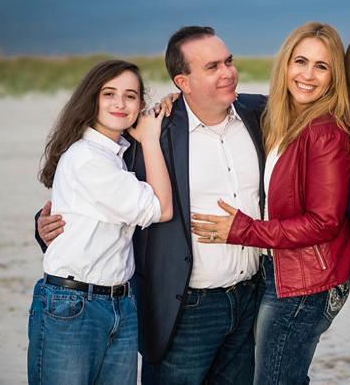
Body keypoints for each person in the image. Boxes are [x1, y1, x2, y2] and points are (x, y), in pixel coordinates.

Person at [36, 27, 268, 384]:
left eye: (229, 61)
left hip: (248, 299)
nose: (228, 72)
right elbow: (86, 192)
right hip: (183, 309)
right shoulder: (149, 136)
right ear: (183, 82)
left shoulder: (258, 115)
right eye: (212, 67)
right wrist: (43, 223)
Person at [191, 22, 350, 384]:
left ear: (334, 77)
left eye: (321, 66)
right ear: (285, 64)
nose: (307, 75)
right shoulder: (283, 116)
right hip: (278, 272)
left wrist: (243, 231)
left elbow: (324, 221)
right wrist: (178, 98)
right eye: (300, 61)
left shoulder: (325, 130)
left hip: (307, 281)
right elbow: (243, 100)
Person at [28, 60, 173, 384]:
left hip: (118, 303)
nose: (120, 103)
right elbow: (161, 209)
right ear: (91, 98)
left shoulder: (114, 155)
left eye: (131, 96)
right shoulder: (88, 159)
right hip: (75, 306)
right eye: (109, 94)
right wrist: (150, 140)